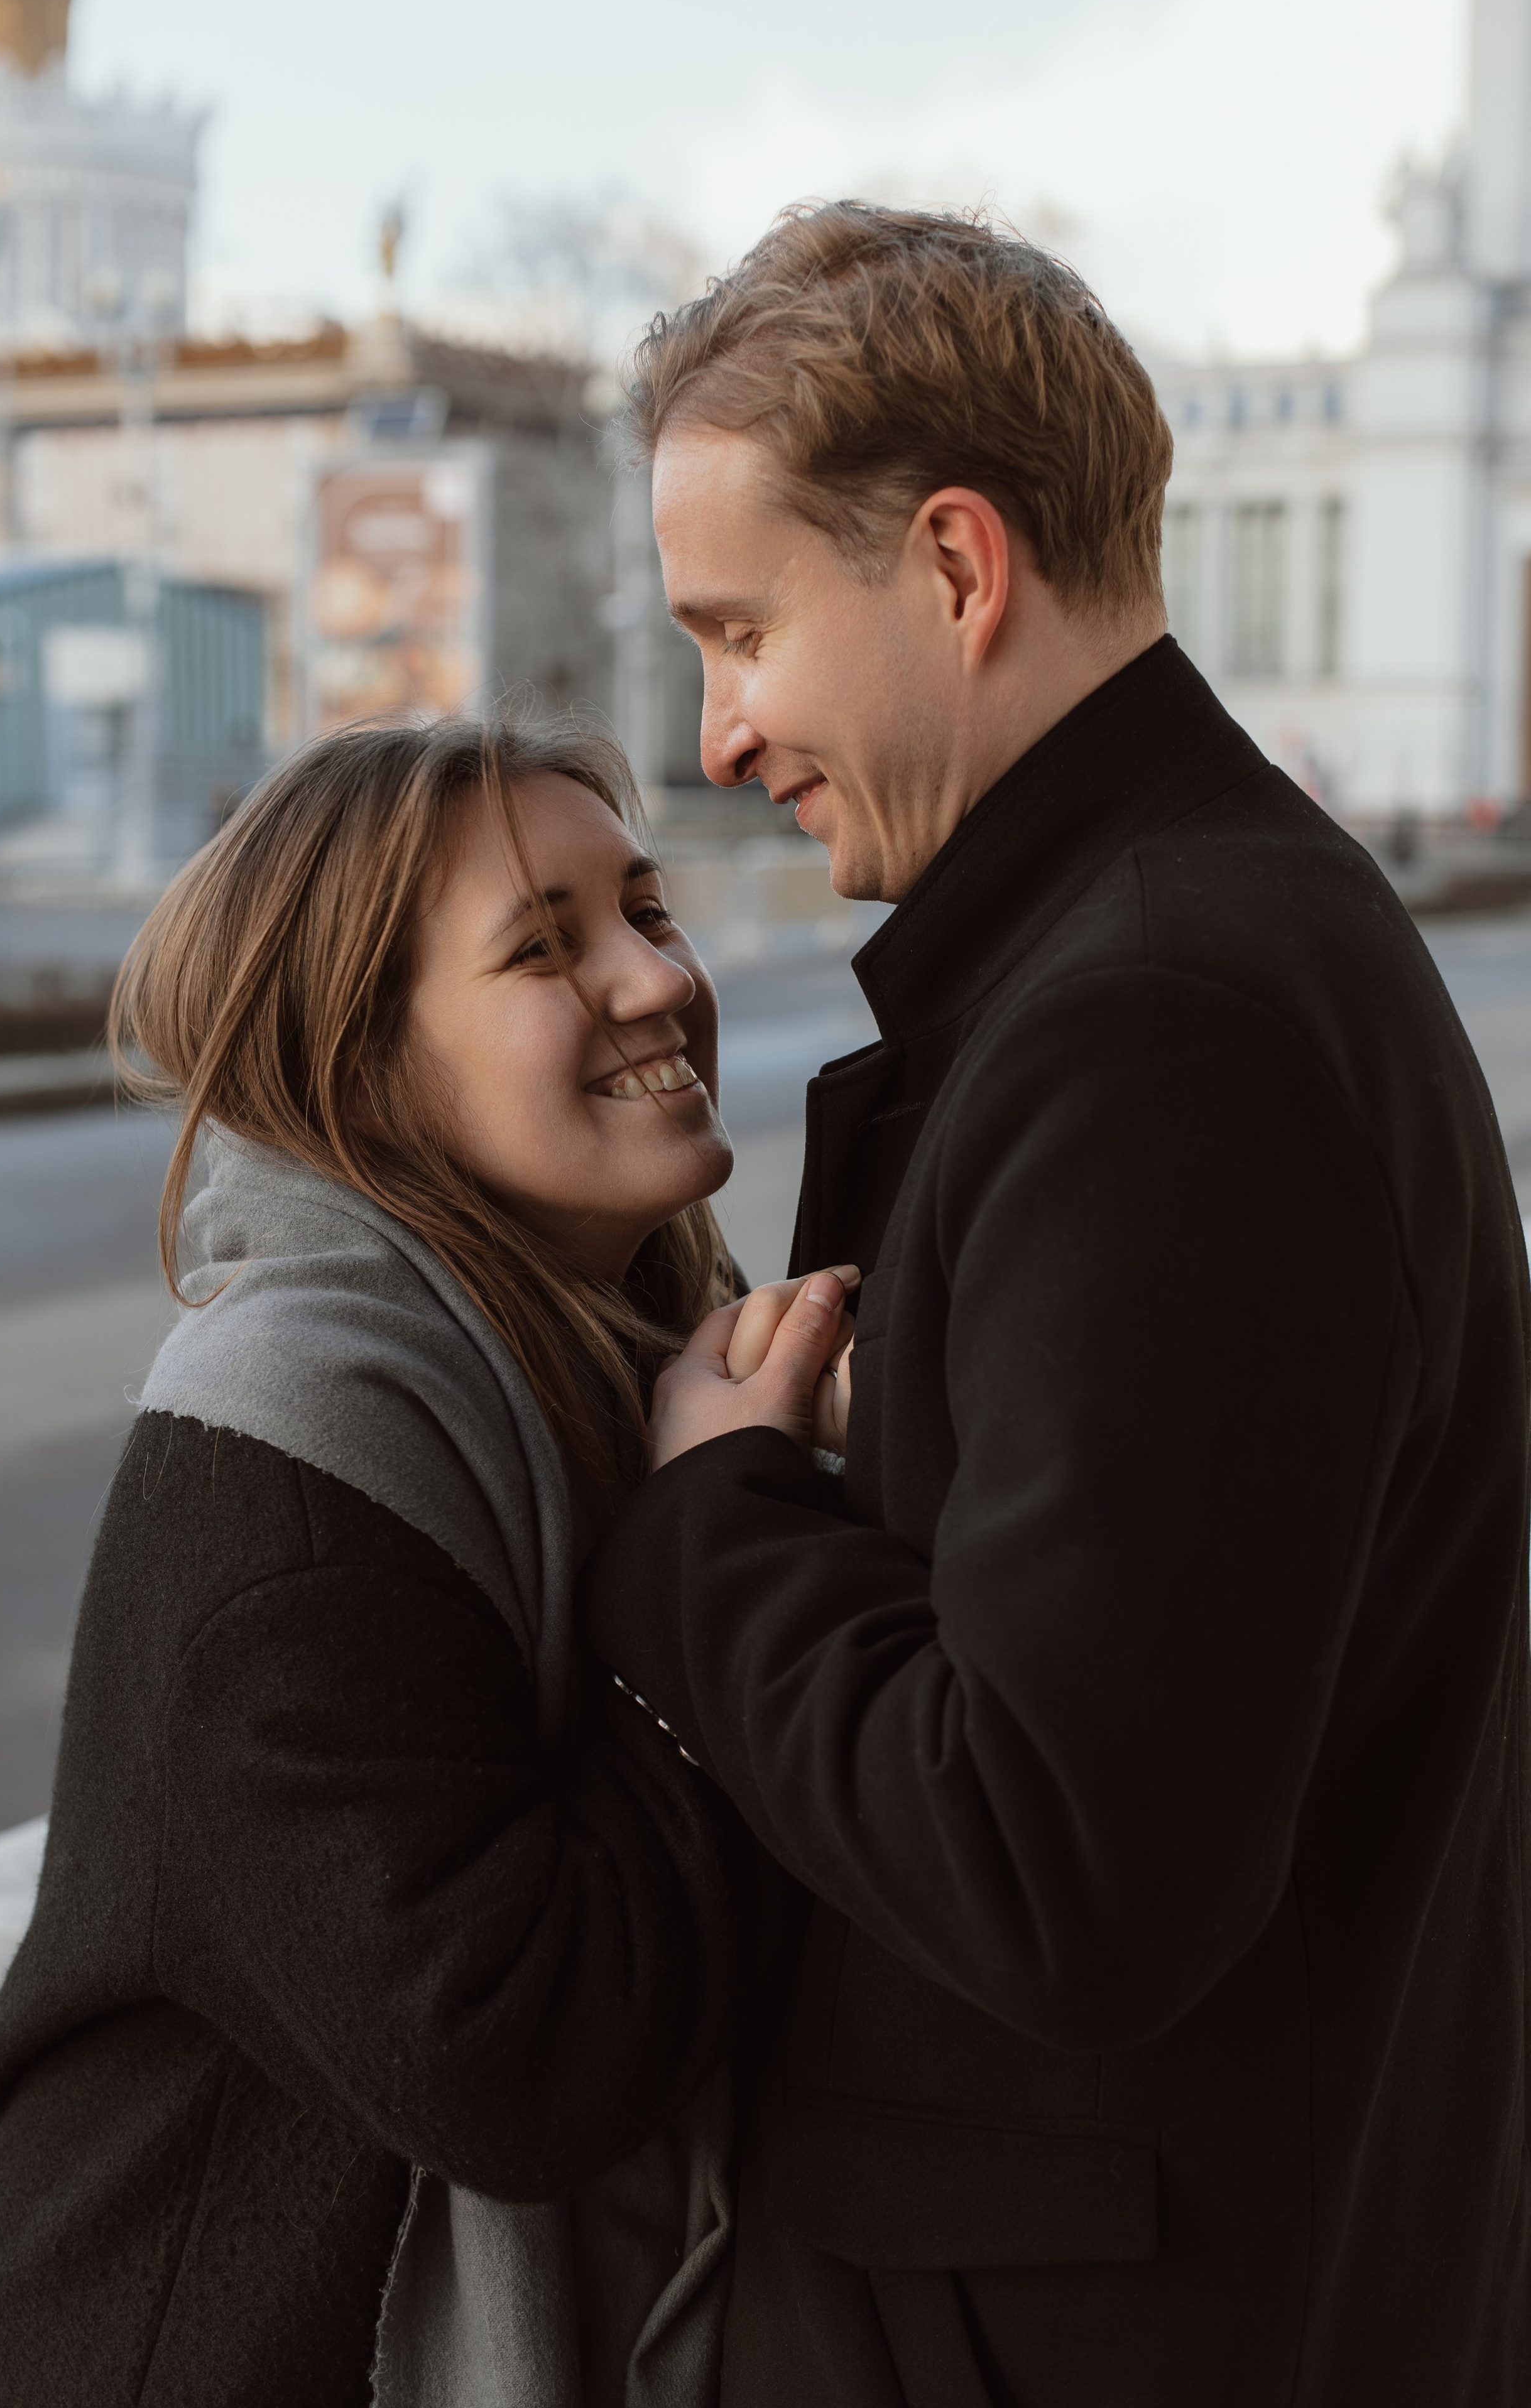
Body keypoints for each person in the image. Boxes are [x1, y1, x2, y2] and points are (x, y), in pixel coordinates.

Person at [580, 202, 1531, 2405]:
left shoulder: (1160, 1025)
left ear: (954, 568)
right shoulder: (1209, 940)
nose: (720, 734)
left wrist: (720, 1516)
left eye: (738, 633)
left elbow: (1062, 1869)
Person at [0, 715, 827, 2408]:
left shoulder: (628, 1362)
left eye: (646, 908)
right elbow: (513, 2056)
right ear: (361, 1070)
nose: (652, 979)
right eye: (542, 948)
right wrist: (715, 1556)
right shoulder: (289, 1453)